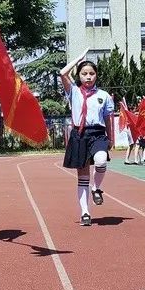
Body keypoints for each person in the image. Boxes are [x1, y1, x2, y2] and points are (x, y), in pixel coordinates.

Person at [60, 50, 116, 226]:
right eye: (84, 74)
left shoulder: (103, 96)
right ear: (79, 75)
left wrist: (111, 138)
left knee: (101, 162)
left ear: (97, 75)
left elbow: (108, 118)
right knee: (82, 176)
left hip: (98, 133)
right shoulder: (74, 91)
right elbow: (62, 73)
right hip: (79, 134)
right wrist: (79, 58)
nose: (88, 77)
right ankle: (85, 212)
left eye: (92, 73)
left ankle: (96, 188)